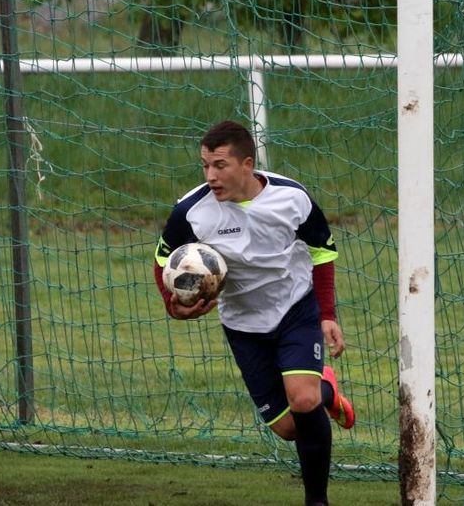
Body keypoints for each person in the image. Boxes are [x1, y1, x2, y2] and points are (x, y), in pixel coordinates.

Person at [152, 120, 354, 506]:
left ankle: (317, 500)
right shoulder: (191, 211)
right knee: (288, 427)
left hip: (295, 309)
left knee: (303, 400)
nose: (211, 176)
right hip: (242, 324)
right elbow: (163, 259)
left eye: (220, 165)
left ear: (247, 164)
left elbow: (322, 251)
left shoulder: (291, 197)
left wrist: (327, 313)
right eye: (205, 165)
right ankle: (326, 388)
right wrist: (171, 303)